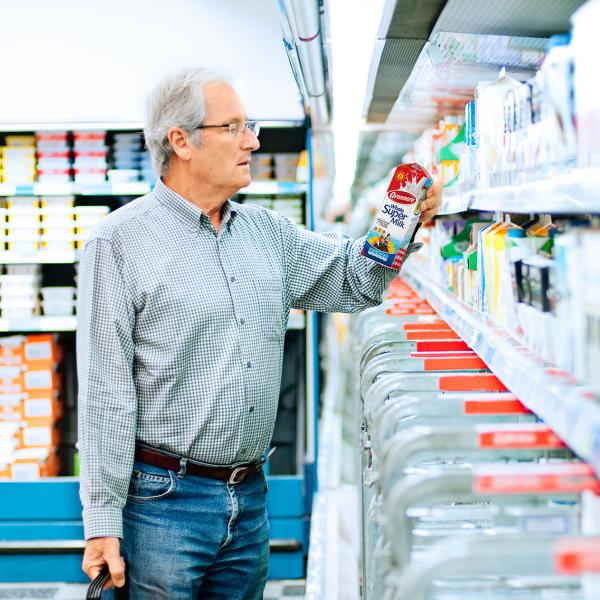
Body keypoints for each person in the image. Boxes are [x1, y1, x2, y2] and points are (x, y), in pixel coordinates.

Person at [77, 67, 442, 599]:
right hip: (161, 506)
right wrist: (102, 520)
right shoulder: (118, 244)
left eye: (250, 126)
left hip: (249, 500)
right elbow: (105, 391)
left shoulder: (266, 234)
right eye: (233, 127)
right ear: (181, 141)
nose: (251, 140)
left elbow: (352, 278)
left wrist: (401, 222)